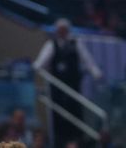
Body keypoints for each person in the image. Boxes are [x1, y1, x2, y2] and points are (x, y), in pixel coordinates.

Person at [32, 18, 103, 147]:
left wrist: (96, 73)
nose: (62, 32)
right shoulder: (51, 44)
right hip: (57, 90)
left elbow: (87, 61)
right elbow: (40, 63)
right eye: (60, 30)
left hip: (73, 88)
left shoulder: (76, 43)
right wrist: (38, 69)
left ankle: (76, 141)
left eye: (64, 30)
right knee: (59, 117)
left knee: (75, 115)